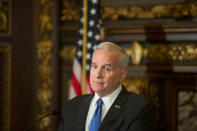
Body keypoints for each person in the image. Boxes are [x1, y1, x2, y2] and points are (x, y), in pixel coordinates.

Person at [58, 42, 155, 131]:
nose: (98, 75)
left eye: (107, 69)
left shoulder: (139, 108)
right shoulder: (72, 107)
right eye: (94, 66)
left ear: (122, 74)